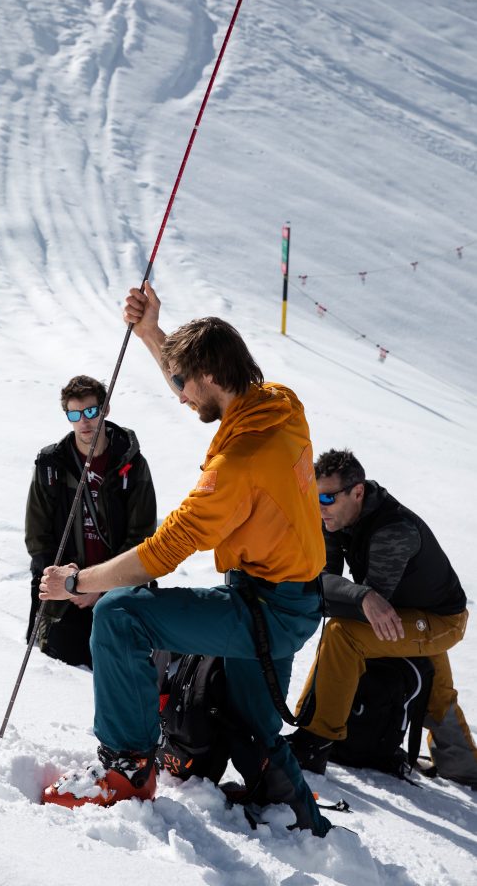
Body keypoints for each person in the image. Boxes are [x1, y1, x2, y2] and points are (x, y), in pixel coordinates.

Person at [38, 283, 332, 837]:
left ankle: (127, 770)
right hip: (288, 597)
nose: (179, 397)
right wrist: (153, 335)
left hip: (264, 612)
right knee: (254, 729)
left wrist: (81, 579)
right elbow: (201, 382)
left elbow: (162, 552)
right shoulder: (278, 403)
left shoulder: (240, 463)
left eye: (186, 384)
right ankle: (304, 825)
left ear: (213, 377)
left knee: (120, 614)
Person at [289, 448, 477, 787]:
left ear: (357, 492)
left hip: (440, 620)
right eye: (315, 497)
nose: (319, 507)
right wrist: (359, 594)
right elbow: (322, 584)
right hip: (403, 610)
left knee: (343, 635)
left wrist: (359, 596)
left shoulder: (394, 531)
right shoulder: (335, 517)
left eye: (328, 498)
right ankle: (465, 767)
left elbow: (371, 608)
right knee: (436, 690)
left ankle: (315, 741)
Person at [25, 374, 157, 668]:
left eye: (90, 411)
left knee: (124, 670)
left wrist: (100, 585)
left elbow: (142, 537)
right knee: (63, 675)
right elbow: (38, 538)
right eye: (75, 414)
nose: (84, 421)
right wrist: (66, 582)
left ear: (105, 409)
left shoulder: (132, 463)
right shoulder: (51, 465)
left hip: (119, 592)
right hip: (65, 599)